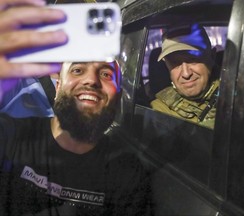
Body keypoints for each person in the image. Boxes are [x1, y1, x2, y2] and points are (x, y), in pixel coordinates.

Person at [0, 1, 153, 215]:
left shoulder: (127, 174)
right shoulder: (12, 138)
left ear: (117, 96)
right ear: (58, 86)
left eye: (106, 74)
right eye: (78, 70)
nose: (91, 80)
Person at [150, 24, 220, 129]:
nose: (186, 74)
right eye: (174, 63)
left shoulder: (236, 97)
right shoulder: (159, 111)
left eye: (193, 59)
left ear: (212, 57)